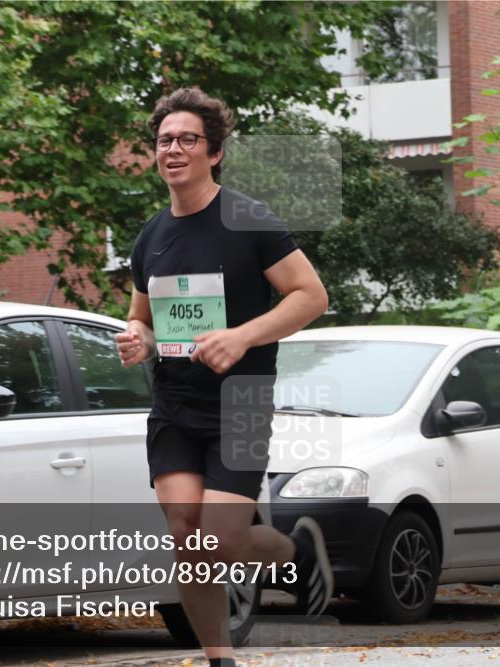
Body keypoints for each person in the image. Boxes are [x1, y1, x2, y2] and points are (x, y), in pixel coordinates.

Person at [115, 87, 332, 667]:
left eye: (188, 139)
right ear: (155, 154)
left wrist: (242, 336)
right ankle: (219, 657)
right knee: (188, 536)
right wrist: (140, 340)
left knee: (222, 540)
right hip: (175, 403)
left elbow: (310, 296)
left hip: (240, 400)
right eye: (165, 141)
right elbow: (144, 319)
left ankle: (295, 553)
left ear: (213, 153)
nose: (174, 149)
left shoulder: (247, 220)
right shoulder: (151, 238)